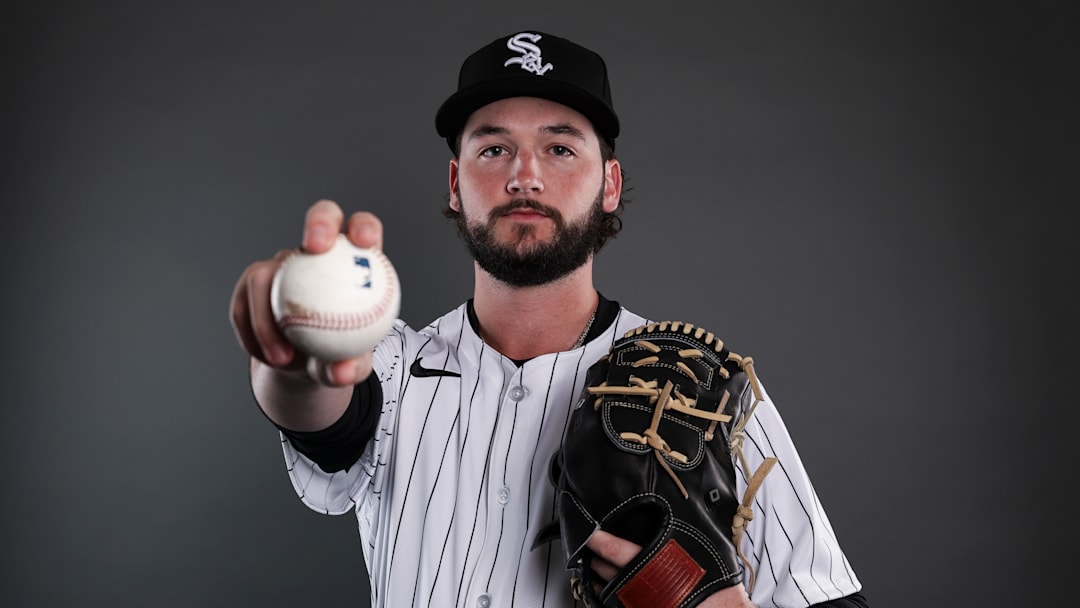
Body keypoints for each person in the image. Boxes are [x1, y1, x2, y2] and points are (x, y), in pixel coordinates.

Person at [230, 30, 868, 608]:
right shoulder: (394, 368)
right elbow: (324, 411)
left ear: (609, 184)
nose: (524, 175)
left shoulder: (701, 390)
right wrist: (288, 353)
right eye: (494, 149)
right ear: (456, 184)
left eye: (560, 148)